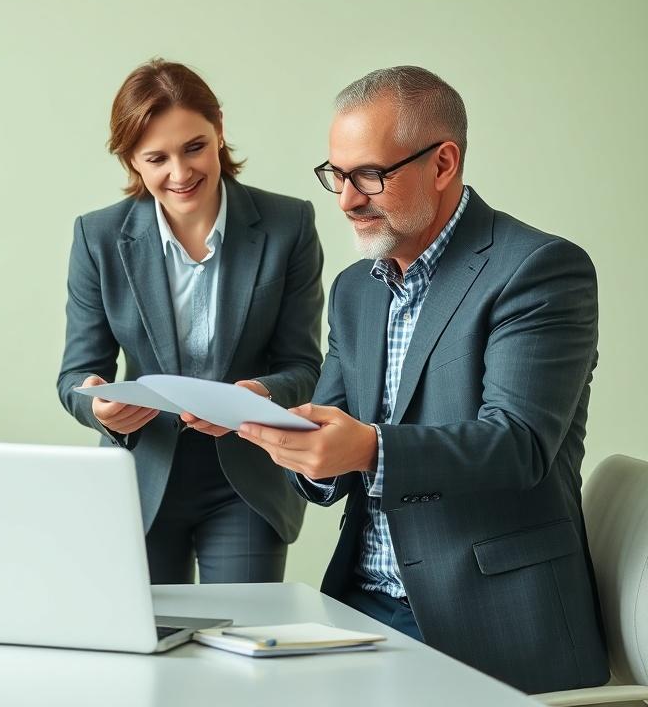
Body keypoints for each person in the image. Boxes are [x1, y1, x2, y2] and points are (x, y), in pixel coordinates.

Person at [237, 66, 609, 693]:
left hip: (485, 621)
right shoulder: (356, 289)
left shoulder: (540, 269)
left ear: (443, 164)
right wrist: (284, 427)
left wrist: (368, 448)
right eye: (337, 175)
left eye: (370, 175)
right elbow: (333, 435)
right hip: (356, 605)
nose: (348, 200)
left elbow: (518, 444)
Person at [57, 59, 324, 584]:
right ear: (132, 160)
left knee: (245, 647)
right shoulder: (99, 237)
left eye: (195, 147)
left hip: (247, 476)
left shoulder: (288, 225)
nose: (180, 174)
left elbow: (304, 367)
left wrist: (256, 395)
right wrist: (100, 409)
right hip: (142, 476)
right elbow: (75, 377)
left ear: (219, 129)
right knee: (149, 652)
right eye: (157, 158)